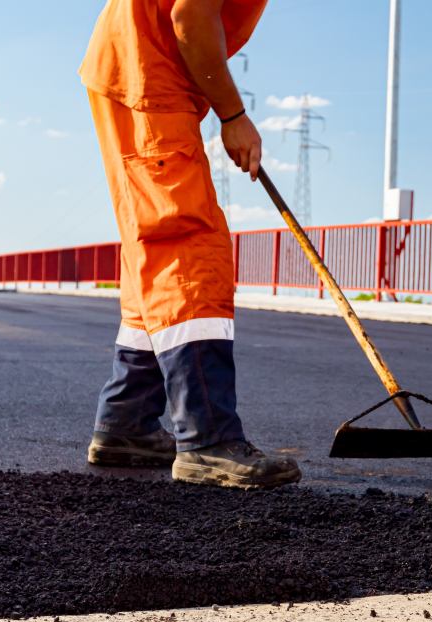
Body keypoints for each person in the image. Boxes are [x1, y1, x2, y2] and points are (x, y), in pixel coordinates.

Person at [78, 0, 300, 489]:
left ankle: (127, 423)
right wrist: (234, 115)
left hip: (136, 68)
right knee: (188, 244)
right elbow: (191, 17)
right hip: (146, 74)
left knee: (153, 249)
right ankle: (209, 439)